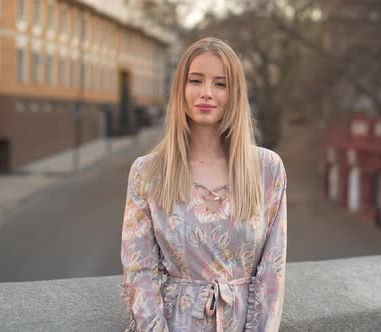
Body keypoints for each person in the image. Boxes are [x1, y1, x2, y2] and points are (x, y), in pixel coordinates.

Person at [120, 37, 287, 332]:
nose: (207, 93)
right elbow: (139, 272)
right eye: (196, 80)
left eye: (220, 84)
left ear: (234, 94)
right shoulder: (147, 173)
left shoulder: (266, 169)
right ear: (180, 89)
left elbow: (272, 270)